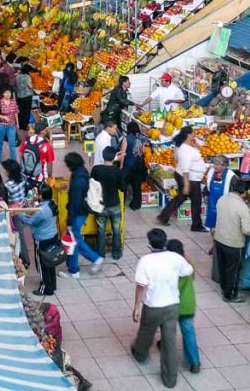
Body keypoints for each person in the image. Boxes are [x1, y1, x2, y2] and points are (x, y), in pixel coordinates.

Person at [131, 228, 194, 389]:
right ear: (165, 241)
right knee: (169, 343)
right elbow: (188, 270)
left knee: (146, 331)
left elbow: (141, 286)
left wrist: (136, 307)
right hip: (172, 306)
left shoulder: (145, 261)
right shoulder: (175, 257)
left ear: (149, 244)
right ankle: (170, 379)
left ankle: (140, 353)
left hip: (153, 306)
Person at [61, 153, 104, 278]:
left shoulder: (77, 180)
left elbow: (74, 202)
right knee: (74, 240)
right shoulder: (83, 172)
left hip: (77, 213)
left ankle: (92, 260)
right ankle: (73, 268)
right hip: (82, 211)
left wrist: (69, 221)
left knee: (75, 240)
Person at [157, 126, 207, 231]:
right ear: (188, 135)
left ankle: (163, 216)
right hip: (190, 179)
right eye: (193, 133)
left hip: (187, 176)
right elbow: (185, 168)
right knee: (196, 201)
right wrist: (187, 184)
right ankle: (196, 226)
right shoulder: (186, 149)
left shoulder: (182, 146)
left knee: (181, 198)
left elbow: (177, 159)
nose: (195, 135)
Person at [213, 177, 250, 303]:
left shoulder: (222, 199)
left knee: (223, 265)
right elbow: (247, 231)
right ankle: (230, 295)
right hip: (234, 243)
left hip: (219, 239)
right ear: (244, 193)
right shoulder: (243, 208)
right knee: (233, 270)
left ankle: (224, 286)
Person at [165, 239, 201, 374]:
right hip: (188, 304)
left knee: (168, 328)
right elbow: (192, 279)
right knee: (189, 332)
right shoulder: (189, 263)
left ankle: (165, 348)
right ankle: (195, 362)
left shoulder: (167, 267)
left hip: (171, 304)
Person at [22, 183, 61, 296]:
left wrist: (18, 213)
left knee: (41, 265)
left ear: (41, 196)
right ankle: (52, 284)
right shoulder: (52, 203)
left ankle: (45, 288)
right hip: (52, 236)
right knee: (50, 262)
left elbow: (29, 222)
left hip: (42, 240)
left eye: (37, 193)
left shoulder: (42, 210)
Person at [92, 146, 127, 261]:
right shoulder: (118, 172)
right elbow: (122, 188)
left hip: (100, 206)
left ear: (103, 156)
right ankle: (116, 253)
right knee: (116, 229)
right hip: (115, 204)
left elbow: (91, 185)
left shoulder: (96, 170)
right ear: (114, 157)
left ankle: (101, 254)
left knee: (101, 230)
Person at [2, 158, 30, 268]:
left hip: (14, 213)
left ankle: (25, 260)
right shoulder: (23, 178)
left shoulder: (8, 185)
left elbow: (6, 198)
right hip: (22, 209)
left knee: (19, 236)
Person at [204, 155, 236, 232]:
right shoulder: (211, 172)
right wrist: (205, 195)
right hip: (212, 201)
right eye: (214, 164)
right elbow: (207, 185)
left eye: (217, 164)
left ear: (224, 165)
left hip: (225, 201)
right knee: (212, 219)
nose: (215, 166)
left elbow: (235, 190)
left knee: (222, 220)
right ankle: (212, 232)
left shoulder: (231, 175)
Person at [123, 122, 148, 210]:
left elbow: (123, 153)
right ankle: (136, 205)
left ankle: (122, 203)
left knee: (124, 184)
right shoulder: (142, 138)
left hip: (129, 164)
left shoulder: (126, 139)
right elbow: (143, 151)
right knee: (137, 186)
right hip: (139, 164)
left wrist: (121, 165)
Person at [0, 87, 19, 162]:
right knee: (0, 142)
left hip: (11, 125)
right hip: (1, 125)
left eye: (9, 93)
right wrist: (3, 117)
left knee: (12, 143)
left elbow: (16, 112)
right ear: (3, 94)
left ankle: (13, 160)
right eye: (6, 92)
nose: (8, 94)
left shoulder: (13, 102)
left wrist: (17, 123)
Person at [14, 64, 35, 133]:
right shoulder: (27, 77)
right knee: (27, 111)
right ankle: (25, 125)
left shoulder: (17, 76)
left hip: (19, 95)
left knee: (20, 111)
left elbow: (16, 85)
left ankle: (20, 125)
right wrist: (33, 86)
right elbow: (30, 86)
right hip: (27, 96)